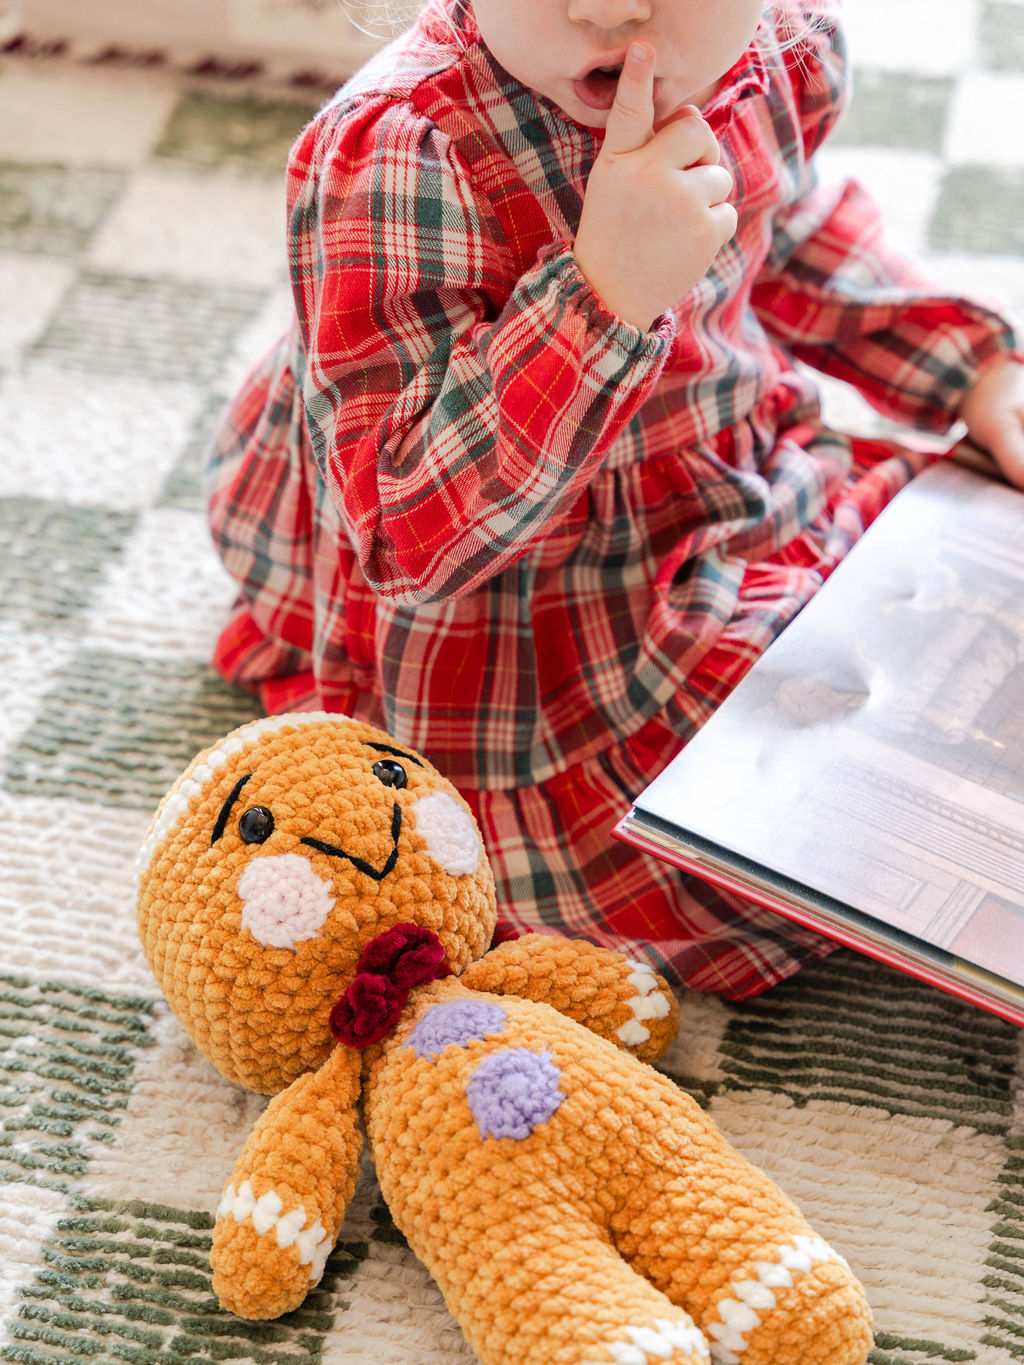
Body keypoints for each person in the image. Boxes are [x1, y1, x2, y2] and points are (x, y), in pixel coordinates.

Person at [205, 0, 1024, 1000]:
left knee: (956, 599)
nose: (609, 6)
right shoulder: (400, 155)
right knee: (756, 838)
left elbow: (791, 234)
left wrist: (976, 370)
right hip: (509, 600)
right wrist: (605, 294)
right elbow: (403, 534)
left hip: (711, 468)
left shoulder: (769, 50)